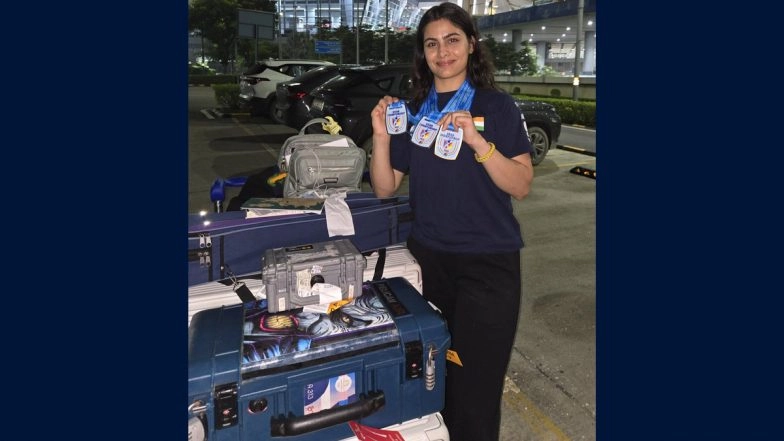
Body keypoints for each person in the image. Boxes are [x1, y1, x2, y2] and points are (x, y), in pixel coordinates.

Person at [368, 3, 534, 441]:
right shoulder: (414, 109)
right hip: (427, 263)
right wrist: (382, 137)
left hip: (487, 264)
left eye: (452, 40)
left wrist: (478, 141)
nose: (443, 52)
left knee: (476, 389)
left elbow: (520, 184)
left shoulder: (496, 106)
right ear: (423, 54)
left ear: (472, 44)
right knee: (433, 378)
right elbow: (385, 188)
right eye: (432, 44)